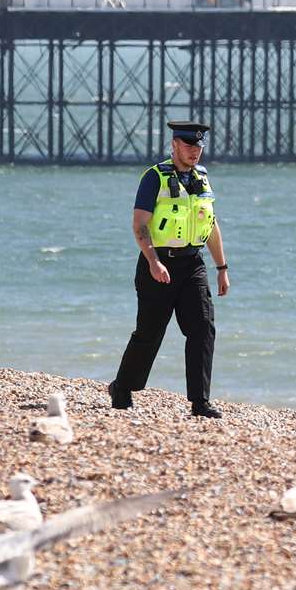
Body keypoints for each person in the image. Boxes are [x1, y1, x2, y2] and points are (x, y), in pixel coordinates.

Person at [107, 120, 229, 418]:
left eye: (198, 146)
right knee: (149, 332)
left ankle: (200, 402)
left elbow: (210, 225)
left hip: (193, 265)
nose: (195, 152)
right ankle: (122, 386)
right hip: (158, 263)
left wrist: (222, 267)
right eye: (189, 146)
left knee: (203, 329)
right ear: (174, 145)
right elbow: (140, 225)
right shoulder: (154, 178)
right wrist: (153, 261)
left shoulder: (202, 178)